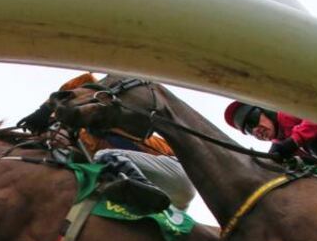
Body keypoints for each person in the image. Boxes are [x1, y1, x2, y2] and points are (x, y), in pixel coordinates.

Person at [19, 73, 195, 214]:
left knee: (105, 157)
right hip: (165, 200)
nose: (55, 138)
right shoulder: (82, 151)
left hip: (178, 174)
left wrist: (45, 109)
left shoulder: (101, 121)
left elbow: (85, 81)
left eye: (56, 128)